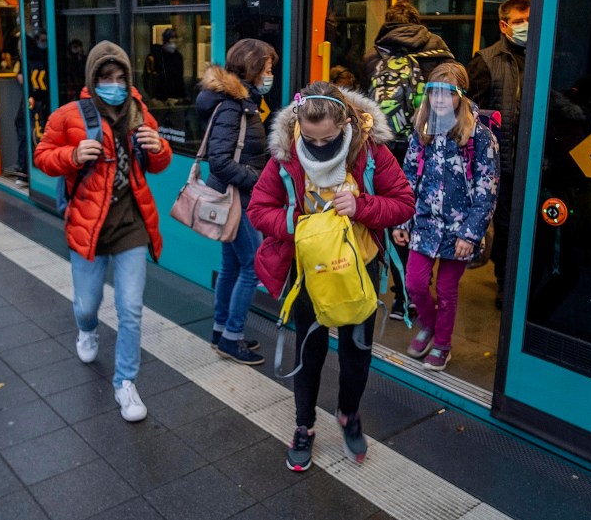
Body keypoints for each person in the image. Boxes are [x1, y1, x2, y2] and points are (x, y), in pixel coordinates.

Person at [247, 82, 414, 471]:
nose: (318, 145)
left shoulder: (370, 152)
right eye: (310, 137)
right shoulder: (285, 155)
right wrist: (297, 222)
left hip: (359, 268)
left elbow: (403, 203)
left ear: (346, 122)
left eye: (328, 137)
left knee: (357, 351)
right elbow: (259, 209)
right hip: (308, 271)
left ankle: (349, 414)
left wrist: (362, 205)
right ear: (297, 126)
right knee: (309, 351)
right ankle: (304, 426)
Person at [33, 41, 172, 422]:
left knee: (130, 308)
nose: (114, 84)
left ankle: (125, 383)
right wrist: (72, 156)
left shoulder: (139, 113)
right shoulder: (68, 116)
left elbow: (158, 163)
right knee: (87, 304)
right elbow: (42, 156)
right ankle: (87, 329)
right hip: (88, 226)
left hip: (131, 224)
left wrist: (158, 147)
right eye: (106, 78)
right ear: (93, 79)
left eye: (120, 77)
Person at [392, 62, 499, 372]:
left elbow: (487, 189)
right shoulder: (422, 130)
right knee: (414, 283)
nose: (439, 99)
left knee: (448, 290)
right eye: (433, 92)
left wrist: (470, 234)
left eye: (447, 93)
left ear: (461, 95)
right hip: (424, 224)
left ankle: (442, 344)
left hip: (459, 229)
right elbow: (408, 177)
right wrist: (402, 221)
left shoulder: (479, 136)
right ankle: (429, 323)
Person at [363, 0, 454, 321]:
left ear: (387, 24)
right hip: (429, 146)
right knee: (424, 214)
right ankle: (421, 290)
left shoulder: (372, 58)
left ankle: (400, 295)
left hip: (384, 149)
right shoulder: (440, 54)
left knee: (391, 215)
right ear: (420, 22)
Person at [195, 38, 275, 365]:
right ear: (254, 69)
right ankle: (233, 337)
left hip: (236, 196)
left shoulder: (241, 101)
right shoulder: (233, 105)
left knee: (230, 266)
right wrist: (260, 181)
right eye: (268, 69)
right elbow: (220, 161)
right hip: (236, 198)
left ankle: (220, 331)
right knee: (252, 266)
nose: (270, 75)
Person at [466, 0, 530, 309]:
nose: (526, 27)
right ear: (504, 25)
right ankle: (505, 282)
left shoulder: (540, 56)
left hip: (531, 160)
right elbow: (472, 111)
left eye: (530, 20)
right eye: (520, 21)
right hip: (500, 161)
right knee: (504, 225)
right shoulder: (486, 60)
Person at [11, 31, 49, 180]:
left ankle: (24, 169)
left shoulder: (24, 60)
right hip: (43, 102)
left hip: (30, 101)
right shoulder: (43, 56)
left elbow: (21, 79)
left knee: (23, 128)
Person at [146, 27, 186, 101]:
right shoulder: (156, 55)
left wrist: (182, 96)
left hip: (175, 98)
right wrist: (152, 96)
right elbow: (148, 77)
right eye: (171, 38)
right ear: (166, 40)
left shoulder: (178, 57)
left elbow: (180, 78)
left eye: (176, 38)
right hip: (159, 97)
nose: (174, 41)